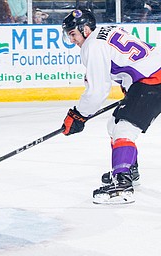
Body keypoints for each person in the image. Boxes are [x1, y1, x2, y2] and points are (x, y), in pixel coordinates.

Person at [61, 9, 161, 204]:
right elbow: (134, 60)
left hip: (153, 81)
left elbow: (98, 90)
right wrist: (130, 89)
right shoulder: (106, 32)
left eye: (73, 34)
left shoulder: (92, 45)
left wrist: (78, 115)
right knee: (114, 124)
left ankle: (122, 184)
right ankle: (129, 169)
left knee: (124, 129)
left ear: (85, 29)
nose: (72, 40)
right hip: (151, 77)